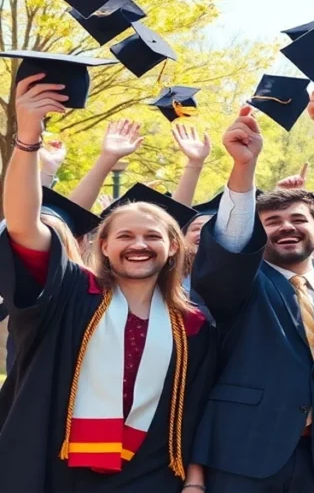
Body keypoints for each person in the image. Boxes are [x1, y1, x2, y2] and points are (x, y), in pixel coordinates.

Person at [0, 73, 216, 492]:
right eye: (125, 236)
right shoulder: (70, 293)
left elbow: (196, 409)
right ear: (102, 244)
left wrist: (194, 480)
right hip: (53, 466)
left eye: (152, 236)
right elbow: (24, 226)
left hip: (150, 476)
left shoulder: (192, 325)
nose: (139, 245)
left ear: (174, 247)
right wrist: (28, 139)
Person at [188, 106, 314, 493]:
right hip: (242, 457)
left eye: (297, 219)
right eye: (271, 222)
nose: (286, 227)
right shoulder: (241, 285)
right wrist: (245, 167)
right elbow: (230, 244)